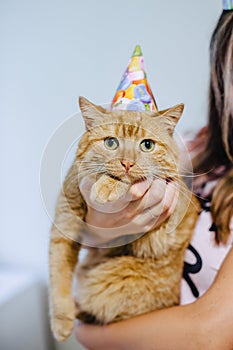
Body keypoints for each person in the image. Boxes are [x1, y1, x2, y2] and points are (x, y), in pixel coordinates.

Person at [75, 6, 233, 349]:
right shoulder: (192, 146)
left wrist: (86, 333)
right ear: (221, 72)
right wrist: (102, 221)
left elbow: (209, 336)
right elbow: (88, 240)